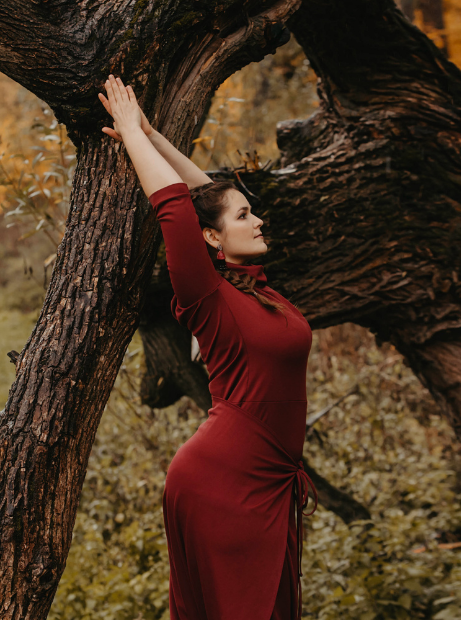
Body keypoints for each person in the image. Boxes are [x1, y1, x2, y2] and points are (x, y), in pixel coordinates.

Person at [99, 75, 318, 620]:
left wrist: (153, 132)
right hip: (224, 484)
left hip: (268, 480)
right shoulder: (206, 297)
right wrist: (131, 137)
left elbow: (209, 201)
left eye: (252, 213)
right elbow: (176, 210)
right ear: (215, 241)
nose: (258, 218)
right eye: (246, 217)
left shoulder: (256, 287)